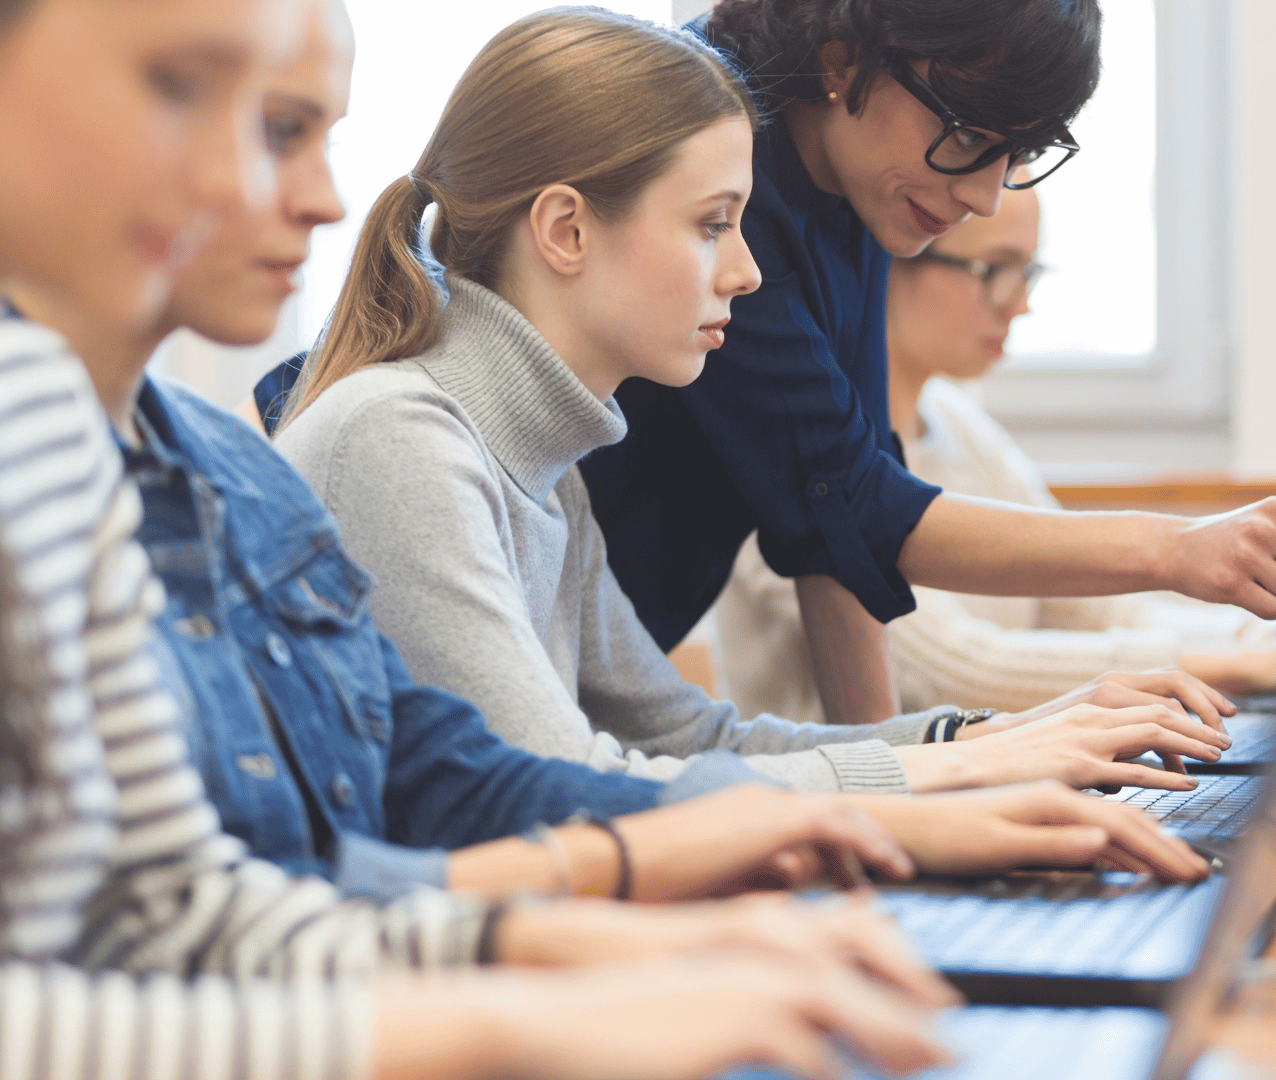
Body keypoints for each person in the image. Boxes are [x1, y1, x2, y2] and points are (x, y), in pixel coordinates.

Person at [10, 2, 1214, 903]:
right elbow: (539, 797)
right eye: (712, 226)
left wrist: (971, 750)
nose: (746, 273)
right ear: (567, 229)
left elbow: (658, 750)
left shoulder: (540, 462)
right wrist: (930, 797)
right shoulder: (395, 440)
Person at [0, 0, 955, 1075]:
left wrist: (551, 931)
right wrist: (528, 993)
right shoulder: (382, 437)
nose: (309, 197)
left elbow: (200, 914)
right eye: (188, 94)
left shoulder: (163, 451)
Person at [258, 0, 1276, 729]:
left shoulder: (846, 202)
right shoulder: (413, 445)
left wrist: (928, 779)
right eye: (973, 136)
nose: (982, 194)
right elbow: (864, 511)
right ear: (845, 66)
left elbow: (831, 541)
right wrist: (1172, 553)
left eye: (1019, 155)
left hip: (586, 723)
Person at [718, 184, 1276, 722]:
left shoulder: (959, 424)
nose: (1020, 302)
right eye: (993, 268)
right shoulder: (790, 446)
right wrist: (1251, 665)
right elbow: (957, 672)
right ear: (892, 259)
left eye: (1029, 272)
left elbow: (1097, 616)